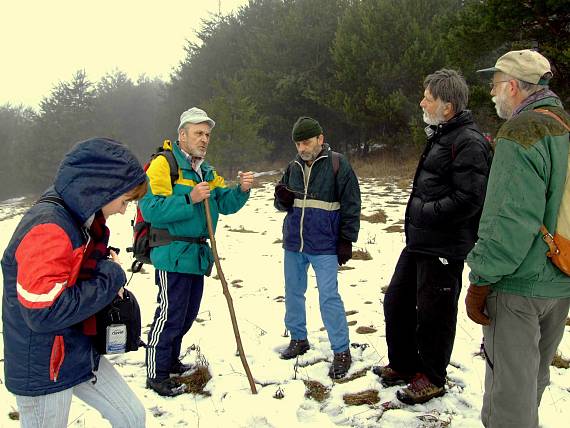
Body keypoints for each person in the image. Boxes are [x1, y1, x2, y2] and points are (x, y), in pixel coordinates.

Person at [1, 138, 147, 428]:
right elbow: (44, 313)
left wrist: (104, 263)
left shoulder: (78, 215)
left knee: (131, 417)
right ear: (102, 187)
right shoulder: (49, 228)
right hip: (46, 364)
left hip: (77, 348)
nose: (122, 210)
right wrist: (112, 276)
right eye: (125, 199)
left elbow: (73, 265)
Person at [465, 49, 570, 427]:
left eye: (494, 85)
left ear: (512, 86)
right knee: (532, 383)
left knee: (509, 399)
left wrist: (482, 279)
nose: (492, 94)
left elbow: (508, 220)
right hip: (560, 279)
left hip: (518, 286)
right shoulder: (564, 125)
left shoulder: (522, 131)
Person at [375, 69, 492, 404]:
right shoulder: (442, 135)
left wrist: (425, 212)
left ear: (448, 105)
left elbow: (470, 199)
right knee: (396, 300)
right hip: (420, 242)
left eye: (429, 97)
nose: (422, 101)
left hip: (444, 245)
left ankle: (432, 377)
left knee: (434, 314)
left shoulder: (468, 141)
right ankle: (403, 364)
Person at [141, 107, 254, 396]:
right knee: (170, 314)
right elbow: (150, 208)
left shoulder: (207, 169)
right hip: (171, 252)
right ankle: (156, 373)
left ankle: (170, 360)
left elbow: (224, 203)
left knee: (187, 314)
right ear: (182, 135)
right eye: (198, 133)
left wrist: (240, 190)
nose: (204, 139)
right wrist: (189, 198)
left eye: (207, 134)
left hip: (196, 256)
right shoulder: (164, 165)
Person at [274, 116, 361, 379]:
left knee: (329, 297)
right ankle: (298, 338)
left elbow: (352, 205)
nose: (302, 148)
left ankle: (341, 350)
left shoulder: (338, 165)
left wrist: (347, 240)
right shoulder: (292, 167)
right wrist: (281, 199)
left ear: (320, 139)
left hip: (324, 245)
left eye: (306, 142)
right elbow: (281, 204)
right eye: (298, 143)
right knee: (293, 292)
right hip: (294, 243)